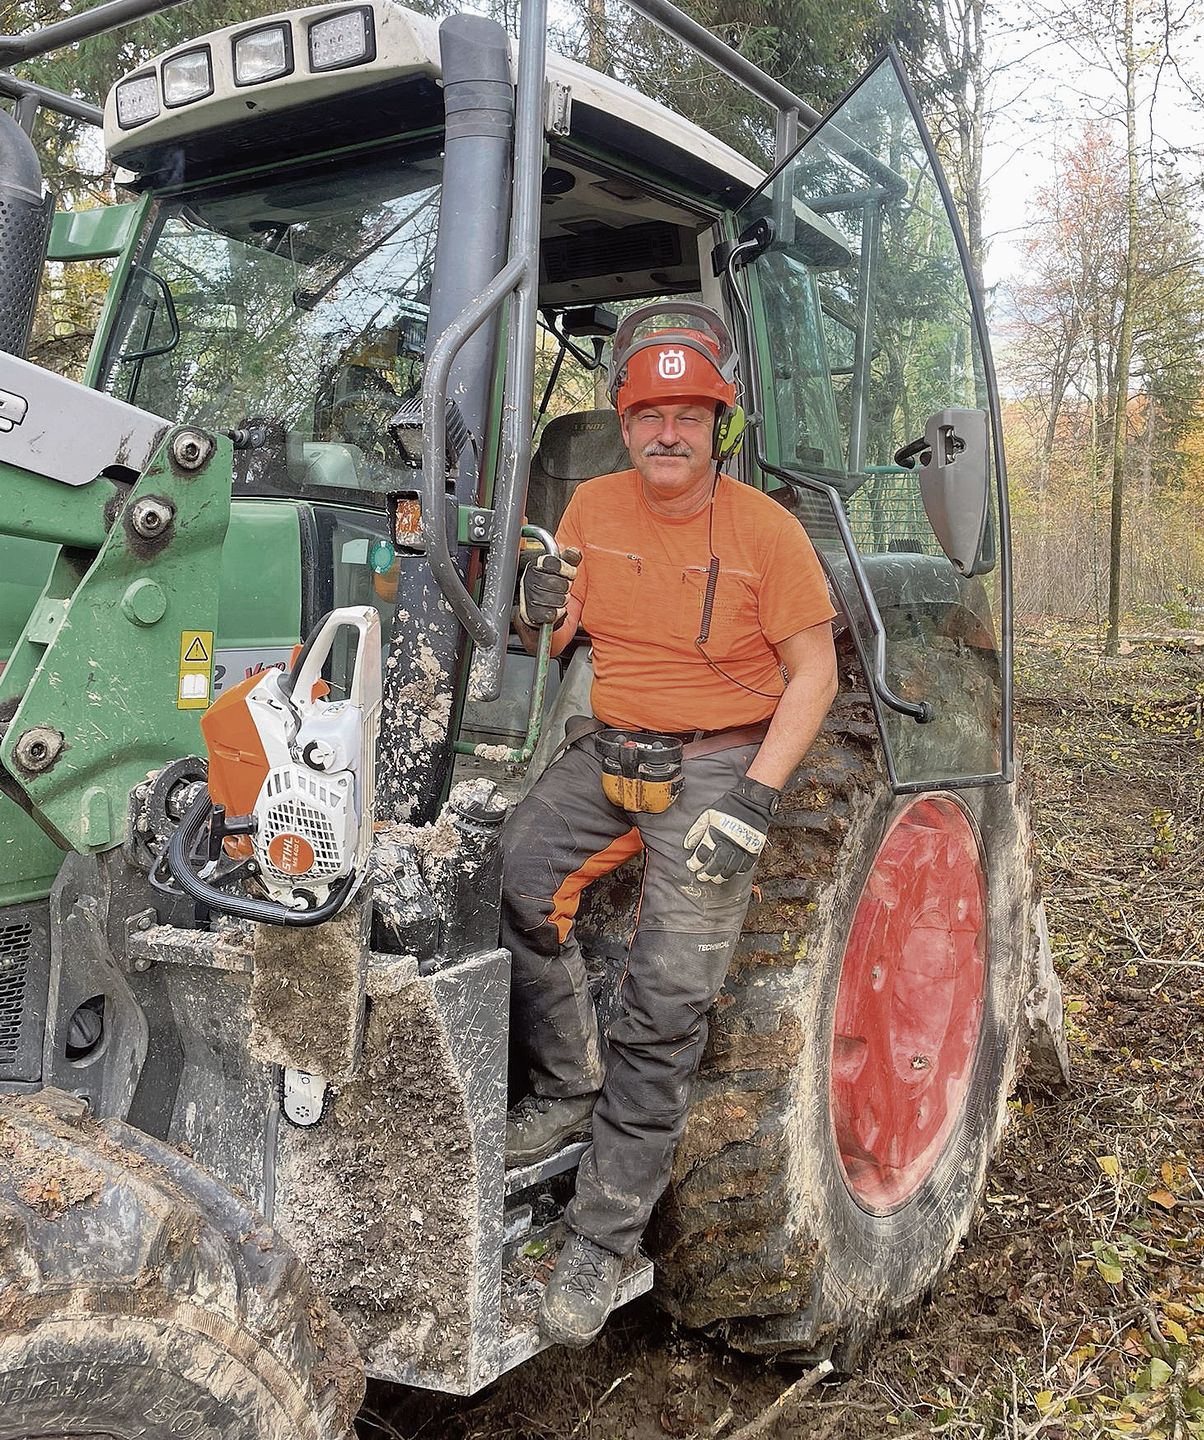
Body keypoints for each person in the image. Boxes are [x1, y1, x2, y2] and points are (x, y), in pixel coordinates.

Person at [502, 302, 838, 1347]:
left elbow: (815, 672)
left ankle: (604, 1241)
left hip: (718, 761)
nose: (667, 433)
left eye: (688, 414)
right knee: (511, 881)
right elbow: (552, 632)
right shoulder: (593, 506)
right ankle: (565, 1083)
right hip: (611, 749)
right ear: (623, 416)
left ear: (717, 425)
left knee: (665, 1003)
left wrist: (754, 798)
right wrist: (536, 599)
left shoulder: (764, 531)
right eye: (649, 412)